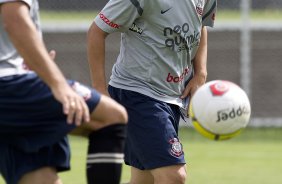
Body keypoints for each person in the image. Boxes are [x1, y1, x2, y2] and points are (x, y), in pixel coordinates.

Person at [87, 0, 217, 183]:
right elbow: (97, 31)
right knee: (174, 176)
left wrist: (201, 73)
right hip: (137, 94)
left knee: (143, 180)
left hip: (172, 98)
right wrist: (100, 90)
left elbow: (200, 24)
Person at [0, 1, 128, 184]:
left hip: (13, 88)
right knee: (111, 117)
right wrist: (58, 84)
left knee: (41, 178)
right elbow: (15, 20)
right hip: (9, 84)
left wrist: (36, 61)